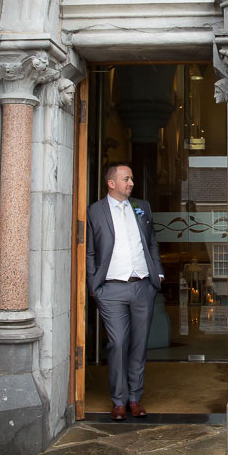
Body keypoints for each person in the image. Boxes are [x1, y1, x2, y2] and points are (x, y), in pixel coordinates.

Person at [86, 163, 164, 420]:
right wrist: (94, 285)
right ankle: (118, 400)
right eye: (126, 179)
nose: (131, 183)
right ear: (112, 183)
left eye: (131, 178)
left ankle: (134, 399)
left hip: (143, 286)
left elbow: (152, 242)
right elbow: (90, 251)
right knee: (118, 343)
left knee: (140, 346)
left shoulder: (142, 207)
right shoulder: (94, 211)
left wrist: (158, 275)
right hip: (111, 289)